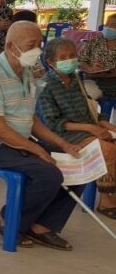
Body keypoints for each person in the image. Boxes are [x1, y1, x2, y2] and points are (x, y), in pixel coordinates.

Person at [0, 21, 84, 250]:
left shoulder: (25, 71)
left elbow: (32, 121)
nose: (37, 51)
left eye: (39, 44)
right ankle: (7, 219)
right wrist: (38, 150)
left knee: (77, 164)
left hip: (17, 142)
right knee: (48, 174)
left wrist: (63, 144)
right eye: (31, 45)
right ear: (11, 46)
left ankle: (41, 225)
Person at [39, 37, 116, 217]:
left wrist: (107, 125)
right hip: (62, 135)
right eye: (63, 57)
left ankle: (111, 195)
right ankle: (105, 201)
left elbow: (91, 111)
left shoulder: (76, 80)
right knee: (105, 148)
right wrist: (91, 129)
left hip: (86, 129)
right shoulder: (46, 85)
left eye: (72, 55)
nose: (69, 60)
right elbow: (53, 123)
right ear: (51, 61)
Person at [78, 12, 116, 97]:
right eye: (106, 24)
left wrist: (107, 74)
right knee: (85, 91)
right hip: (91, 80)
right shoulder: (95, 41)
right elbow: (80, 61)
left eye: (113, 25)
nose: (108, 27)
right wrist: (90, 69)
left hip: (112, 82)